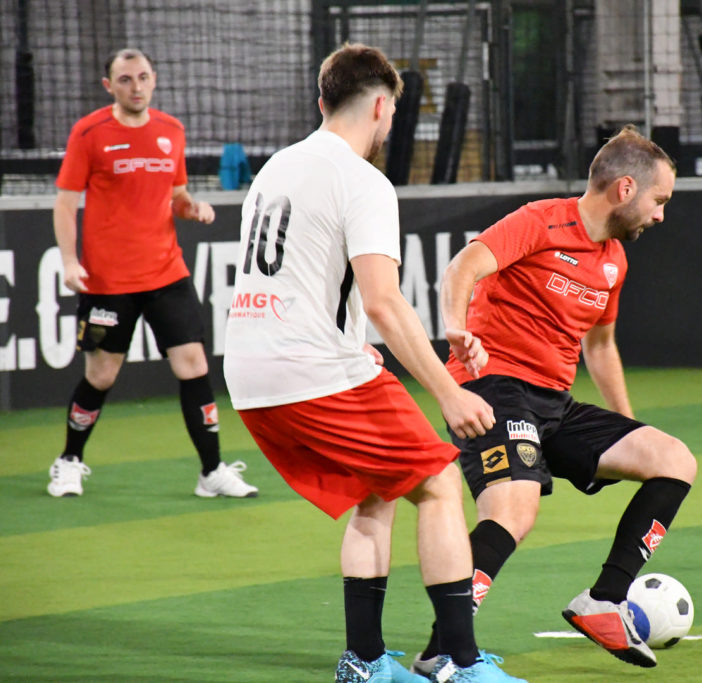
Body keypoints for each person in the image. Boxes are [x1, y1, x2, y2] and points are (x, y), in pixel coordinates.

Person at [222, 43, 527, 683]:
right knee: (439, 482)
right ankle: (461, 664)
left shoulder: (276, 168)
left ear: (322, 101)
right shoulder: (363, 180)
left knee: (378, 490)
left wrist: (348, 340)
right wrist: (449, 391)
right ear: (383, 108)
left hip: (250, 371)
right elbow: (384, 301)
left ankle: (363, 661)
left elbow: (294, 277)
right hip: (308, 369)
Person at [414, 125, 697, 672]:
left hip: (554, 404)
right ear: (625, 189)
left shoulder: (614, 259)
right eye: (659, 200)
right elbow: (462, 267)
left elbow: (601, 345)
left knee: (673, 460)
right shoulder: (541, 220)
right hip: (493, 388)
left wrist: (626, 427)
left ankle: (604, 601)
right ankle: (441, 650)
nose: (661, 215)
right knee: (513, 510)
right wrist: (455, 328)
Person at [47, 48, 257, 500]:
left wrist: (191, 208)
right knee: (102, 375)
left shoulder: (171, 130)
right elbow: (65, 203)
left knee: (194, 364)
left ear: (154, 79)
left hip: (166, 272)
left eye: (143, 77)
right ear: (109, 86)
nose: (136, 86)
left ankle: (211, 471)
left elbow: (176, 195)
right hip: (108, 281)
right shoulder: (89, 132)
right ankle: (69, 461)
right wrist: (68, 261)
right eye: (125, 80)